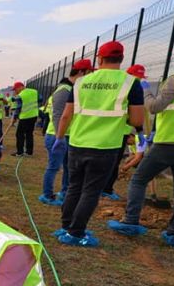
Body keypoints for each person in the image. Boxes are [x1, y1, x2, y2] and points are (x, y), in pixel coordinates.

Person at [53, 41, 144, 246]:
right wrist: (124, 118)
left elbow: (66, 115)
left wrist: (60, 138)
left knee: (74, 187)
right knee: (91, 190)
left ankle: (66, 226)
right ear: (121, 59)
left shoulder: (81, 82)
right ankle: (76, 233)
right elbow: (137, 120)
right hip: (106, 146)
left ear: (99, 59)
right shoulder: (130, 83)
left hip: (77, 142)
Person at [108, 51, 174, 247]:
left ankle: (131, 221)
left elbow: (155, 107)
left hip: (169, 142)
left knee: (139, 178)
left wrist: (146, 91)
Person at [38, 59, 93, 206]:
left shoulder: (72, 89)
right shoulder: (64, 91)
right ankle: (47, 195)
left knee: (68, 167)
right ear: (81, 72)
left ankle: (64, 192)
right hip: (56, 136)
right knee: (54, 166)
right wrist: (59, 137)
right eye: (89, 73)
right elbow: (58, 115)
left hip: (66, 135)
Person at [100, 64, 148, 200]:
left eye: (141, 78)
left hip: (121, 130)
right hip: (117, 130)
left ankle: (105, 188)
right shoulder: (126, 88)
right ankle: (106, 189)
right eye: (138, 78)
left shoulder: (132, 87)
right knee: (111, 162)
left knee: (112, 162)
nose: (139, 81)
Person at [10, 81, 39, 157]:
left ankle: (20, 152)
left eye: (16, 89)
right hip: (34, 116)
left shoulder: (21, 95)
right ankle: (29, 152)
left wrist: (14, 118)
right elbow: (40, 99)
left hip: (25, 117)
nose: (15, 91)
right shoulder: (34, 91)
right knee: (29, 134)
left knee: (19, 134)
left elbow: (18, 108)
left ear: (20, 87)